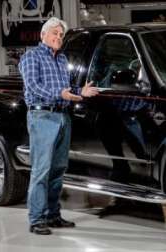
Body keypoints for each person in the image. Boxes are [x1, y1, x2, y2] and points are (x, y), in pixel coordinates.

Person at [18, 17, 99, 235]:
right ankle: (36, 220)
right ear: (43, 35)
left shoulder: (62, 59)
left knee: (58, 170)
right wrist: (60, 93)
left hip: (63, 117)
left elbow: (66, 87)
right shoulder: (31, 57)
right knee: (41, 170)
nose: (59, 37)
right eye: (55, 33)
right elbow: (33, 86)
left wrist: (80, 90)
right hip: (42, 117)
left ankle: (53, 215)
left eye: (61, 35)